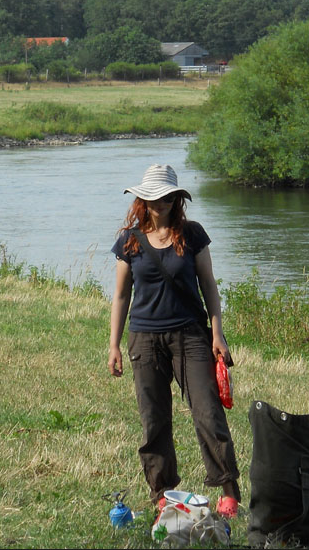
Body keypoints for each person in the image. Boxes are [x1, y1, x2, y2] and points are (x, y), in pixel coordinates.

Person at [108, 164, 241, 518]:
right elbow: (121, 296)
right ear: (143, 199)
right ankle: (162, 494)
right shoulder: (129, 240)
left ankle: (228, 490)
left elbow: (209, 285)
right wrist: (114, 344)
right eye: (154, 197)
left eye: (168, 197)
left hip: (191, 336)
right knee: (154, 420)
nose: (161, 203)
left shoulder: (192, 234)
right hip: (144, 338)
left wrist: (217, 334)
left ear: (176, 199)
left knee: (207, 412)